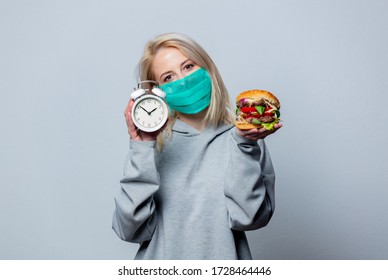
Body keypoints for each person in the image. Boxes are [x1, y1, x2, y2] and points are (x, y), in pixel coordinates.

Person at [112, 33, 282, 260]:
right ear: (158, 91)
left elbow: (251, 218)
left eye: (188, 66)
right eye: (168, 77)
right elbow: (128, 229)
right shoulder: (153, 147)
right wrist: (141, 148)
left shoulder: (245, 139)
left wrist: (245, 145)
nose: (183, 80)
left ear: (207, 67)